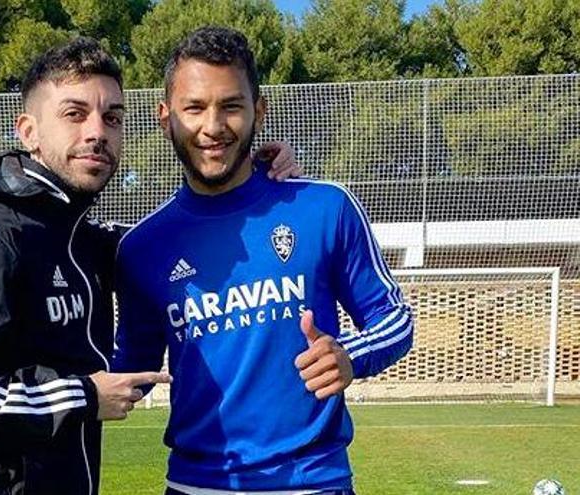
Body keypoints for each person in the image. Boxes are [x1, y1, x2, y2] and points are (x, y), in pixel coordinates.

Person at [0, 37, 300, 495]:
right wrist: (84, 395)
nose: (97, 131)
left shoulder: (85, 239)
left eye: (112, 117)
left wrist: (254, 177)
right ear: (28, 131)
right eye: (74, 114)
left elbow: (173, 241)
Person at [114, 27, 414, 495]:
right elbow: (133, 367)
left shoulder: (324, 208)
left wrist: (351, 356)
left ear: (260, 111)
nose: (213, 126)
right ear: (165, 117)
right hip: (196, 486)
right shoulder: (141, 246)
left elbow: (394, 319)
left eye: (231, 106)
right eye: (194, 108)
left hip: (313, 484)